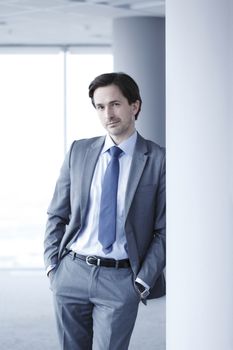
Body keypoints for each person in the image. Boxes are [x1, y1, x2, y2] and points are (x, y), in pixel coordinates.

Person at [44, 72, 166, 350]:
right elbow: (57, 214)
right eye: (100, 107)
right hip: (71, 272)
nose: (107, 114)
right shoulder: (79, 151)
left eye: (115, 104)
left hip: (120, 280)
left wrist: (141, 280)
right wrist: (53, 267)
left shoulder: (159, 159)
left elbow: (164, 229)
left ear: (134, 106)